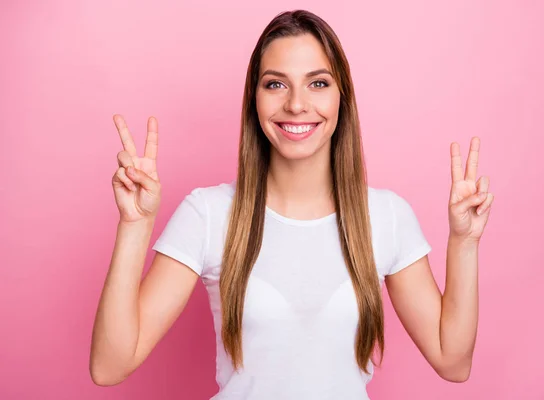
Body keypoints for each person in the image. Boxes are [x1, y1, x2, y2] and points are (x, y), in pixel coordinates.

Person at [89, 9, 494, 400]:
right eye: (276, 84)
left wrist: (464, 241)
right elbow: (110, 366)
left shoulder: (387, 217)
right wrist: (135, 224)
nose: (296, 104)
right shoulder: (208, 215)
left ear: (342, 98)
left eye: (318, 83)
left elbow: (453, 361)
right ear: (255, 100)